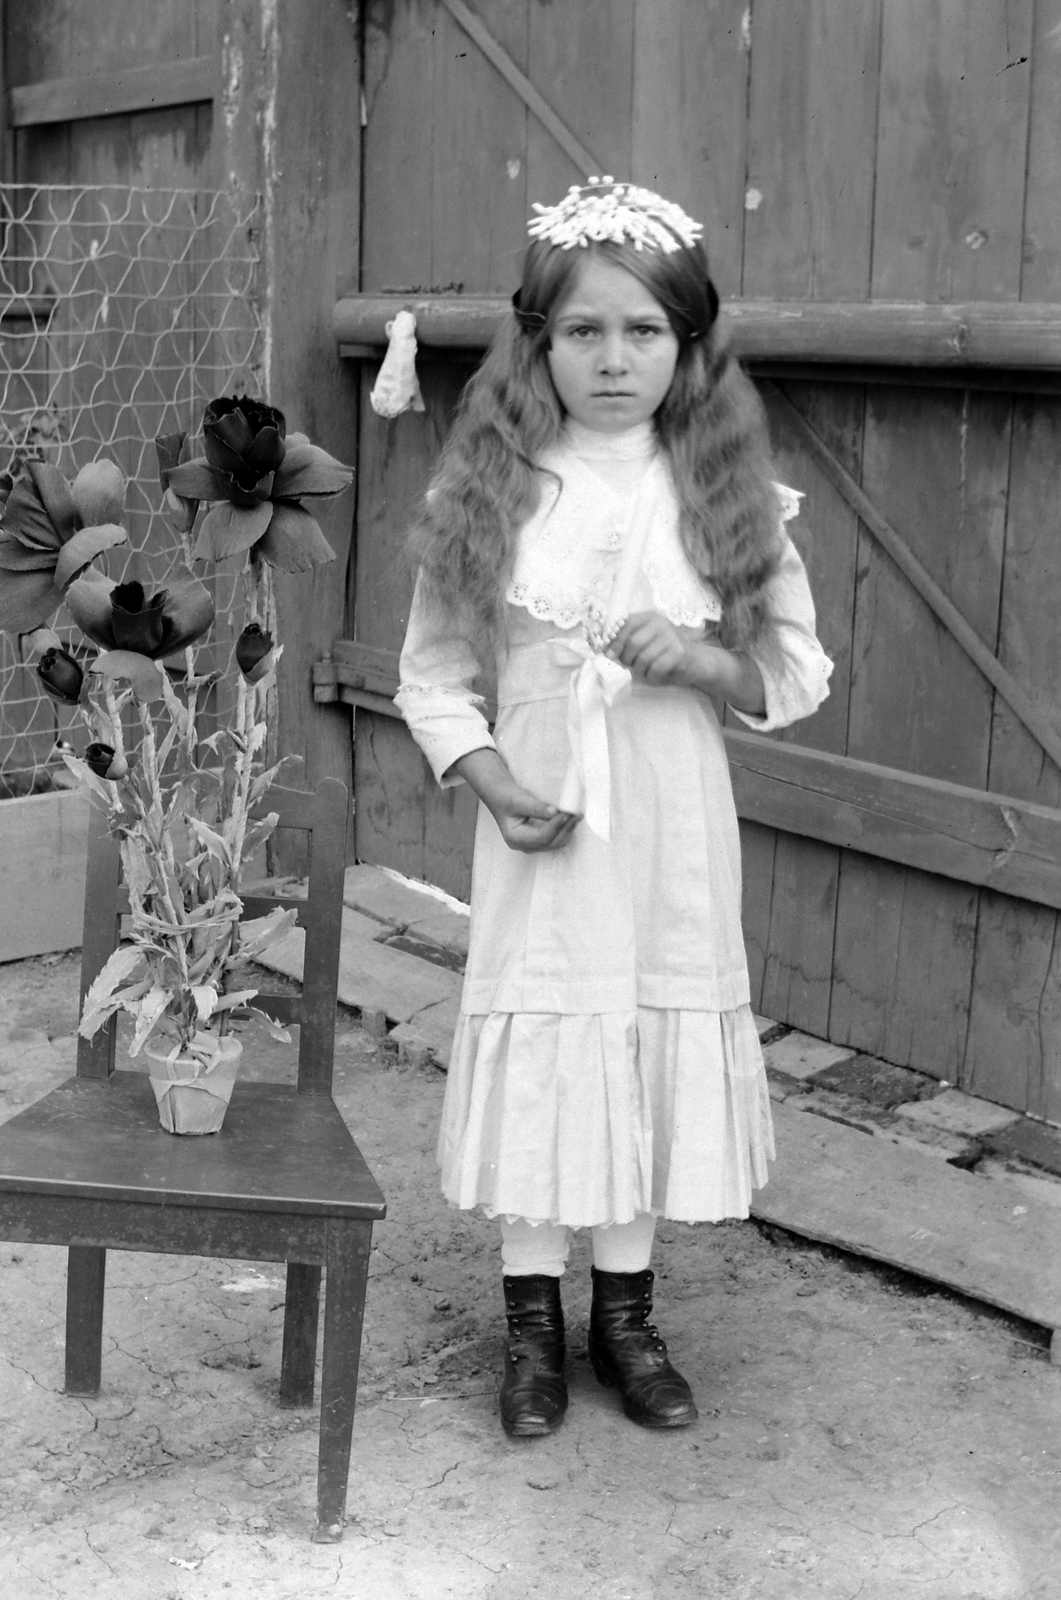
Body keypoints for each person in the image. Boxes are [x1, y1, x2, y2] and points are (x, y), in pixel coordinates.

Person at [395, 179, 833, 1439]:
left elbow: (794, 670)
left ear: (690, 344)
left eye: (645, 331)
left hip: (671, 818)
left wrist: (702, 663)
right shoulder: (496, 485)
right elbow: (432, 674)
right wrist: (490, 782)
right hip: (538, 808)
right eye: (584, 331)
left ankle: (625, 1316)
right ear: (538, 342)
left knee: (640, 1023)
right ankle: (531, 1320)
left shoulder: (722, 492)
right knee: (551, 1033)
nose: (614, 357)